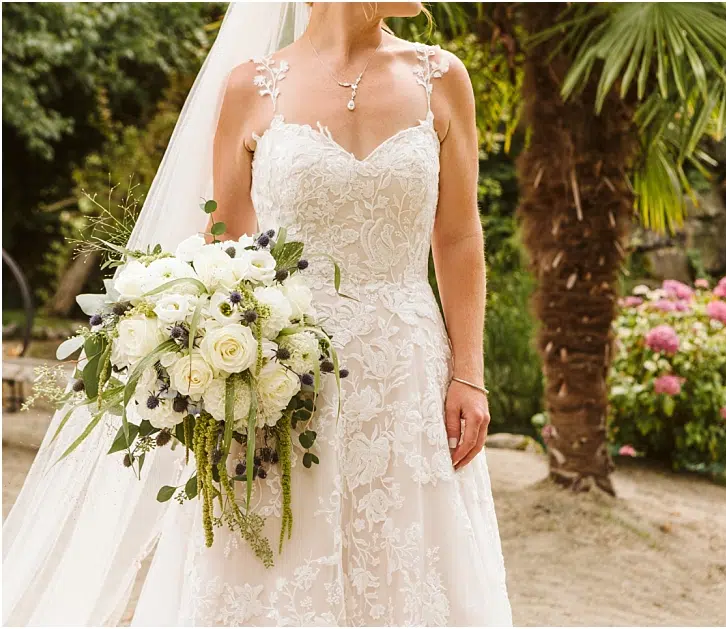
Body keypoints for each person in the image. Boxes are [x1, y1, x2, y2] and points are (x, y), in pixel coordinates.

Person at [3, 3, 512, 626]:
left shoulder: (441, 76)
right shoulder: (252, 85)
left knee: (406, 568)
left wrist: (469, 372)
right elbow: (226, 256)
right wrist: (214, 370)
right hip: (282, 377)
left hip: (408, 377)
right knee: (274, 564)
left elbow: (459, 236)